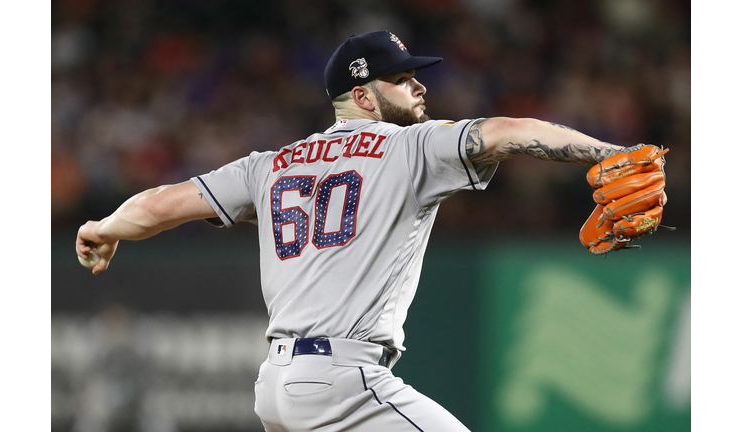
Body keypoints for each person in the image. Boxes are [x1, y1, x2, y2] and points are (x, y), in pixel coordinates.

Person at [76, 31, 661, 431]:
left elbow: (160, 205)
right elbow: (508, 131)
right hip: (341, 382)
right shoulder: (410, 147)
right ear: (363, 96)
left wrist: (105, 228)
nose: (420, 87)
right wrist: (609, 152)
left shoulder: (270, 164)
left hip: (276, 386)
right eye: (402, 79)